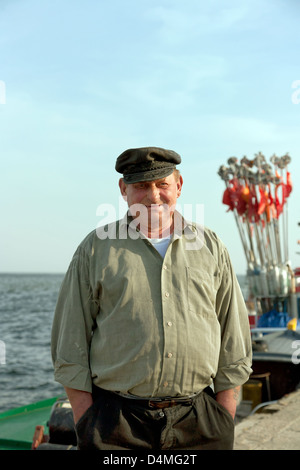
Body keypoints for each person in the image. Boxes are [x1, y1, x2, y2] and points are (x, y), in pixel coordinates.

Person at [51, 147, 252, 450]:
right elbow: (70, 345)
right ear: (124, 190)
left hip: (201, 423)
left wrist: (224, 415)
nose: (153, 196)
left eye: (162, 184)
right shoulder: (94, 250)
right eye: (142, 186)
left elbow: (234, 338)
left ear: (179, 186)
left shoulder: (212, 248)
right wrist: (86, 418)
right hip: (115, 428)